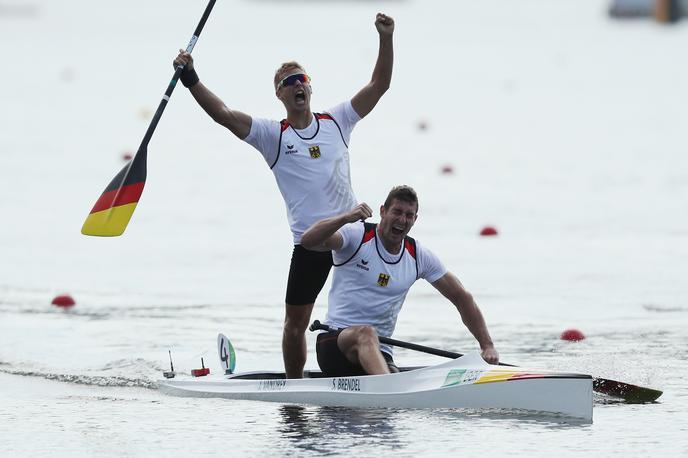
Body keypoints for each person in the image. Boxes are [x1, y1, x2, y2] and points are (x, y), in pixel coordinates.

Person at [173, 13, 395, 378]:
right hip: (313, 241)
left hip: (353, 235)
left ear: (310, 88)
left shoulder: (337, 120)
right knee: (295, 324)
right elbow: (224, 115)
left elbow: (380, 84)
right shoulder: (272, 135)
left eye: (302, 79)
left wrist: (386, 37)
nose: (297, 85)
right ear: (280, 94)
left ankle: (374, 364)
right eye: (288, 82)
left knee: (372, 307)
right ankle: (295, 388)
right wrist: (191, 79)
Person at [300, 185, 499, 376]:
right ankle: (387, 387)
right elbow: (308, 241)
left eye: (409, 215)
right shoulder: (356, 235)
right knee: (366, 333)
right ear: (383, 211)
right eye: (397, 212)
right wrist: (345, 218)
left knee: (372, 341)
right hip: (334, 344)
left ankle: (384, 388)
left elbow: (461, 297)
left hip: (380, 351)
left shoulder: (417, 255)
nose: (402, 220)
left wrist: (487, 345)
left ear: (415, 219)